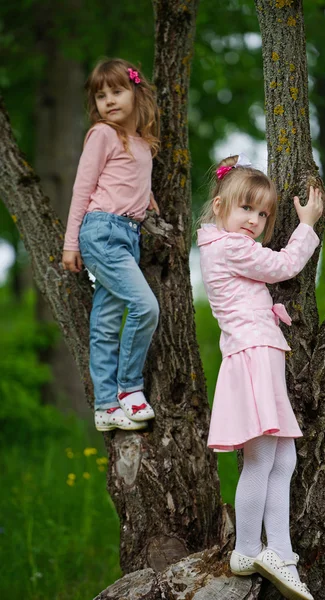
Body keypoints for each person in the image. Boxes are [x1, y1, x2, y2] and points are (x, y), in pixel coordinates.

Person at [197, 154, 323, 600]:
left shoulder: (222, 245)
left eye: (263, 213)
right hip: (253, 355)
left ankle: (281, 552)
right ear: (219, 208)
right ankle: (249, 549)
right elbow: (283, 266)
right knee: (261, 460)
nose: (254, 220)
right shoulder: (230, 246)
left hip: (261, 353)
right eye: (245, 208)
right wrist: (306, 224)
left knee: (283, 460)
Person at [62, 58, 160, 433]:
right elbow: (83, 188)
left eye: (117, 92)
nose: (109, 101)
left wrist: (146, 195)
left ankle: (105, 406)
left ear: (136, 93)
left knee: (104, 322)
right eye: (101, 96)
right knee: (145, 306)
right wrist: (71, 243)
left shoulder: (142, 143)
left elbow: (127, 177)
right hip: (101, 231)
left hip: (128, 235)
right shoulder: (103, 134)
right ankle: (129, 389)